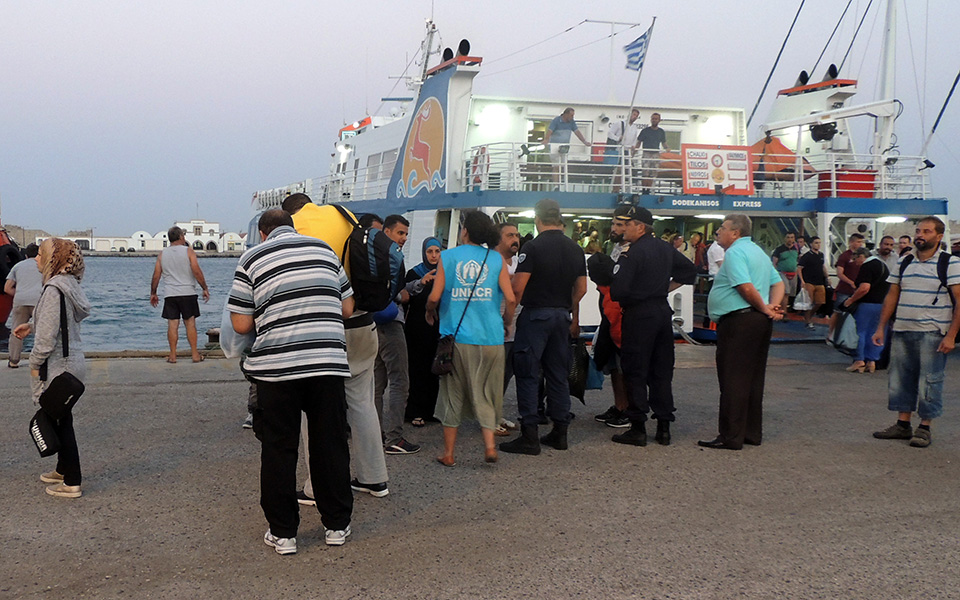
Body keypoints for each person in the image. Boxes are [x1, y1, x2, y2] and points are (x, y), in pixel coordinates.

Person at [228, 209, 354, 554]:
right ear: (293, 228)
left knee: (279, 448)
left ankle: (283, 533)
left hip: (277, 370)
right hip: (327, 365)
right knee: (330, 444)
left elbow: (240, 324)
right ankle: (337, 525)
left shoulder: (252, 257)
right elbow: (346, 308)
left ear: (264, 233)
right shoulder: (324, 250)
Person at [280, 193, 389, 503]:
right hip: (363, 324)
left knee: (312, 409)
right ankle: (374, 479)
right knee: (362, 402)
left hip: (324, 331)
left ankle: (316, 486)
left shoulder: (294, 227)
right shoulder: (345, 215)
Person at [426, 211, 516, 466]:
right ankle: (489, 446)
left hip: (457, 337)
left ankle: (449, 454)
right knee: (487, 392)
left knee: (452, 394)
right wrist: (506, 323)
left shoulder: (448, 256)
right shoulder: (496, 258)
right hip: (491, 337)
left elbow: (434, 297)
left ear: (465, 231)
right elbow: (510, 299)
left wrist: (429, 312)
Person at [500, 199, 587, 455]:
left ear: (538, 220)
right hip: (562, 316)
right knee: (557, 374)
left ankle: (529, 436)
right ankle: (560, 432)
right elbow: (581, 289)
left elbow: (517, 288)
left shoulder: (533, 247)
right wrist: (564, 307)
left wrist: (508, 318)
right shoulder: (575, 249)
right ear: (559, 219)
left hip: (536, 316)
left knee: (527, 373)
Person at [609, 205, 698, 446]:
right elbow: (689, 271)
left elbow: (618, 291)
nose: (623, 229)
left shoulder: (632, 253)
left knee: (635, 370)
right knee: (661, 370)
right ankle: (663, 427)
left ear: (640, 227)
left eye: (627, 224)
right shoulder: (664, 248)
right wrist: (662, 289)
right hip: (661, 312)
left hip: (639, 315)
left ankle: (638, 426)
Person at [872, 217, 960, 448]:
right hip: (902, 329)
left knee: (929, 381)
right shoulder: (904, 261)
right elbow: (892, 294)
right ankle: (902, 425)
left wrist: (951, 335)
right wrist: (882, 327)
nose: (920, 235)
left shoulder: (950, 264)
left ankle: (925, 427)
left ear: (939, 236)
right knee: (900, 379)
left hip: (933, 331)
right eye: (918, 230)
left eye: (927, 231)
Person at [698, 215, 784, 450]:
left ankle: (731, 436)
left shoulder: (735, 253)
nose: (718, 232)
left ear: (735, 233)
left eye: (722, 228)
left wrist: (764, 306)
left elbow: (744, 286)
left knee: (733, 379)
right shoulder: (758, 252)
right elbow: (778, 283)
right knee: (753, 379)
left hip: (739, 320)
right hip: (757, 321)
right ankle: (750, 433)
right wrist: (772, 307)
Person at [14, 238, 91, 498]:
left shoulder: (52, 289)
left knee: (59, 421)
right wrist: (32, 326)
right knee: (61, 417)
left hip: (59, 367)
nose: (36, 258)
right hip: (73, 363)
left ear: (54, 259)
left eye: (42, 254)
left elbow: (46, 342)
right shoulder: (69, 285)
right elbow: (61, 322)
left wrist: (33, 365)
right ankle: (62, 469)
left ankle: (72, 482)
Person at [373, 214, 421, 456]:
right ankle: (395, 437)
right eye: (400, 233)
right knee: (400, 380)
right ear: (387, 231)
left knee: (377, 381)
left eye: (405, 234)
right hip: (391, 322)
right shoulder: (392, 256)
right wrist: (405, 294)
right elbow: (397, 293)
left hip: (373, 323)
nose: (403, 238)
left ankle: (373, 433)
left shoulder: (373, 254)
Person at [590, 207, 631, 428]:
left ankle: (630, 409)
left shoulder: (635, 250)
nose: (614, 229)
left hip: (623, 316)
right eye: (613, 224)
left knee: (625, 366)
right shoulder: (614, 247)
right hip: (608, 314)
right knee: (613, 365)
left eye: (619, 225)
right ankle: (620, 405)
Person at [149, 226, 210, 364]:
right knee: (190, 324)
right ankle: (195, 355)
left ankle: (173, 356)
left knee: (172, 325)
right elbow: (196, 271)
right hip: (188, 293)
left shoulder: (162, 254)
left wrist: (153, 293)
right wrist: (204, 288)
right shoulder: (189, 251)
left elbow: (156, 276)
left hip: (170, 294)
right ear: (181, 237)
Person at [403, 237, 442, 428]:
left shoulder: (444, 273)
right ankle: (414, 411)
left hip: (437, 328)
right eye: (430, 252)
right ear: (424, 253)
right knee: (417, 369)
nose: (434, 256)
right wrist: (421, 282)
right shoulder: (414, 273)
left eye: (437, 251)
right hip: (417, 329)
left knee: (434, 370)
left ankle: (430, 410)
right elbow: (404, 298)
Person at [841, 247, 890, 373]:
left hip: (867, 304)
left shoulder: (867, 266)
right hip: (882, 305)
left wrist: (851, 300)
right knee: (876, 333)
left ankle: (859, 360)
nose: (855, 262)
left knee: (860, 332)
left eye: (855, 258)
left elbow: (864, 288)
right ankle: (871, 361)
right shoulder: (883, 266)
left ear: (861, 256)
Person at [494, 222, 521, 435]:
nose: (515, 239)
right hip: (498, 326)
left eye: (517, 235)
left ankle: (497, 413)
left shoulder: (520, 262)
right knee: (494, 374)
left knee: (506, 375)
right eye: (510, 235)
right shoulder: (492, 261)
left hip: (516, 328)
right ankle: (489, 418)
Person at [4, 243, 42, 368]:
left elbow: (7, 288)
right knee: (42, 330)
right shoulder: (44, 266)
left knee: (16, 330)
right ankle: (41, 360)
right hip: (39, 301)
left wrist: (20, 294)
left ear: (25, 255)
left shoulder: (17, 266)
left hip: (20, 300)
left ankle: (13, 361)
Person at [830, 233, 865, 337]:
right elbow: (840, 273)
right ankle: (831, 335)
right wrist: (851, 283)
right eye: (858, 242)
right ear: (851, 242)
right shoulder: (845, 256)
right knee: (838, 312)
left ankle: (847, 336)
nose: (860, 244)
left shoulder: (862, 257)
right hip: (844, 290)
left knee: (855, 314)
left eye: (861, 242)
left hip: (857, 291)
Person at [543, 108, 590, 183]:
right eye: (571, 115)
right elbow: (550, 130)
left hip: (564, 147)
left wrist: (584, 141)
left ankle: (561, 185)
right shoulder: (556, 120)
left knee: (562, 166)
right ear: (566, 114)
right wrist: (546, 139)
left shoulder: (571, 122)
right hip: (554, 146)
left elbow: (577, 132)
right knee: (556, 166)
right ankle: (556, 185)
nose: (572, 117)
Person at [605, 108, 642, 191]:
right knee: (618, 171)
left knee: (627, 171)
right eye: (633, 114)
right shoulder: (620, 124)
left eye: (636, 116)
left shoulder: (634, 128)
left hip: (627, 151)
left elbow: (634, 140)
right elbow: (610, 133)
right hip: (619, 150)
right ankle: (615, 189)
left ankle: (627, 189)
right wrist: (618, 138)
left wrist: (633, 147)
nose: (634, 117)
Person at [796, 236, 829, 328]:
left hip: (819, 281)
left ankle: (809, 316)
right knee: (809, 302)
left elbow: (823, 266)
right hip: (809, 281)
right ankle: (808, 320)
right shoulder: (806, 256)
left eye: (819, 243)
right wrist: (802, 281)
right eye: (816, 243)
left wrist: (827, 277)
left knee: (820, 302)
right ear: (811, 244)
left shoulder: (821, 255)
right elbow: (799, 268)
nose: (818, 245)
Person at [635, 112, 669, 193]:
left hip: (656, 153)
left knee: (653, 173)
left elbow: (663, 142)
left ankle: (649, 189)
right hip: (646, 152)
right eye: (653, 119)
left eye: (656, 119)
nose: (654, 120)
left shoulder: (661, 131)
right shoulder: (645, 131)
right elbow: (639, 141)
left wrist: (667, 148)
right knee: (645, 172)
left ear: (659, 120)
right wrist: (634, 151)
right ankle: (644, 190)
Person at [771, 232, 798, 313]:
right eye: (788, 237)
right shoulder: (779, 249)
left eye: (792, 237)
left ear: (794, 239)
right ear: (785, 238)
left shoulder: (796, 249)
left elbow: (797, 260)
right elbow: (774, 262)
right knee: (786, 292)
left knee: (791, 293)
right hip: (782, 272)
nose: (790, 239)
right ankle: (784, 311)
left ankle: (785, 309)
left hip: (793, 273)